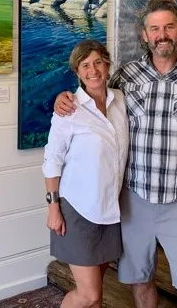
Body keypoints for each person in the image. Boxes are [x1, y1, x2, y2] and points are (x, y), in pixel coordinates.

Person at [54, 0, 177, 308]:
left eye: (169, 27)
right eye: (154, 29)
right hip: (133, 201)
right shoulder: (126, 75)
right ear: (144, 35)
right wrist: (64, 97)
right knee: (141, 281)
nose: (162, 35)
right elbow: (93, 96)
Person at [43, 40, 130, 308]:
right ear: (77, 72)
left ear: (108, 65)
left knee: (97, 293)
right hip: (78, 210)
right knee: (88, 295)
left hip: (110, 210)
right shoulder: (69, 109)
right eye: (85, 65)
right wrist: (53, 208)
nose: (93, 70)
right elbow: (52, 161)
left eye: (98, 63)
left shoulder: (121, 101)